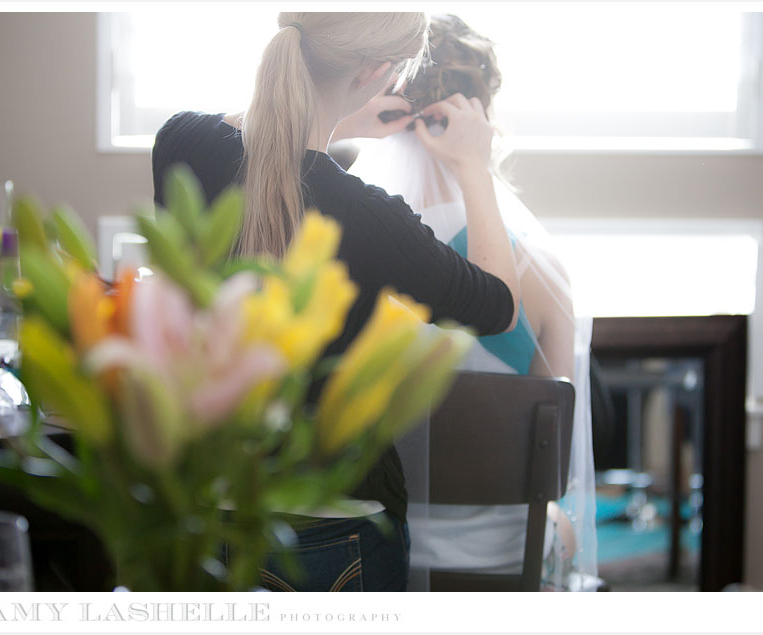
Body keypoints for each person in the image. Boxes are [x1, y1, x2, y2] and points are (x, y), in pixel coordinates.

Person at [151, 12, 522, 592]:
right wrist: (474, 167)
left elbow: (275, 163)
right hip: (335, 527)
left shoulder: (179, 141)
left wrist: (342, 117)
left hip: (200, 504)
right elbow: (499, 308)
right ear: (377, 71)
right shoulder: (367, 216)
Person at [347, 13, 599, 591]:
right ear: (482, 115)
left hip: (373, 559)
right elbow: (553, 456)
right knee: (563, 527)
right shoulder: (541, 270)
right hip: (502, 563)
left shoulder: (350, 255)